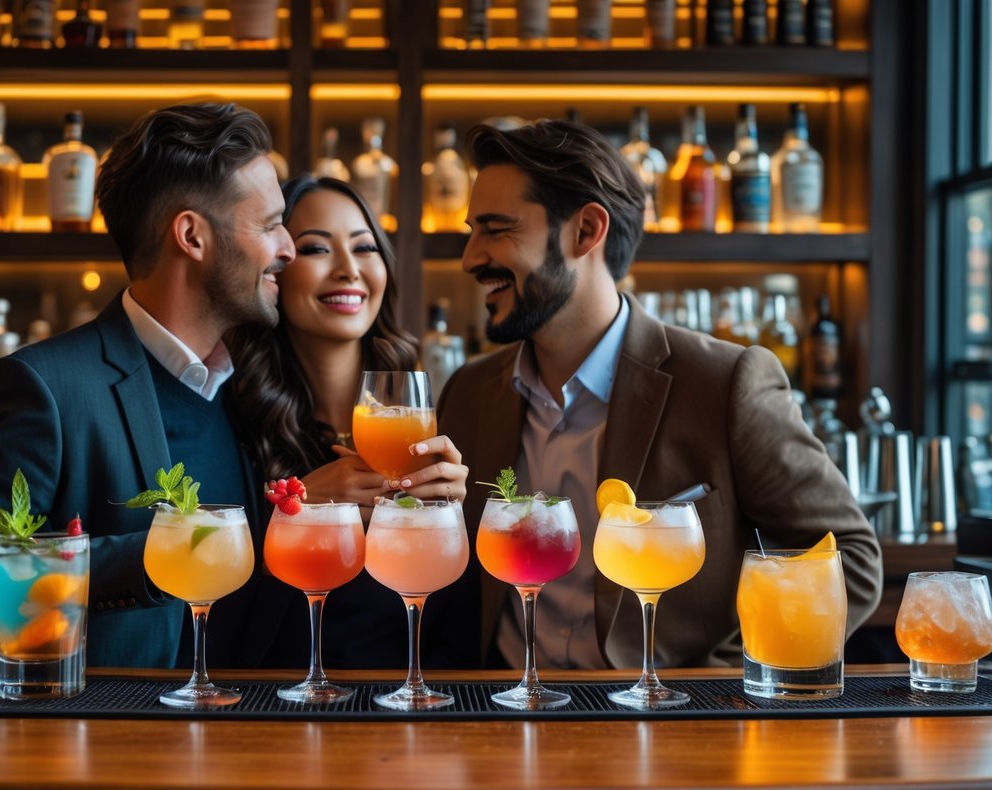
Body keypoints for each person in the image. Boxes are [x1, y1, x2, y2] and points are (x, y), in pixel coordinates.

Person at [438, 119, 883, 670]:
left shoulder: (726, 383)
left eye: (495, 229)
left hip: (669, 714)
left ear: (585, 232)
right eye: (472, 231)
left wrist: (728, 677)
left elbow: (850, 560)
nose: (470, 257)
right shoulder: (468, 392)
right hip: (502, 708)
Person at [0, 102, 298, 669]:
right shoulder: (42, 387)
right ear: (192, 236)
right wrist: (156, 556)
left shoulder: (251, 388)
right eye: (269, 225)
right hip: (109, 722)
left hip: (251, 715)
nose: (288, 248)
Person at [226, 175, 470, 668]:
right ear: (276, 270)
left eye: (365, 248)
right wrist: (294, 512)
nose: (348, 269)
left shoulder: (426, 425)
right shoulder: (234, 421)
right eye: (317, 249)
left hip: (417, 695)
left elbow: (462, 622)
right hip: (279, 699)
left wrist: (450, 515)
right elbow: (215, 613)